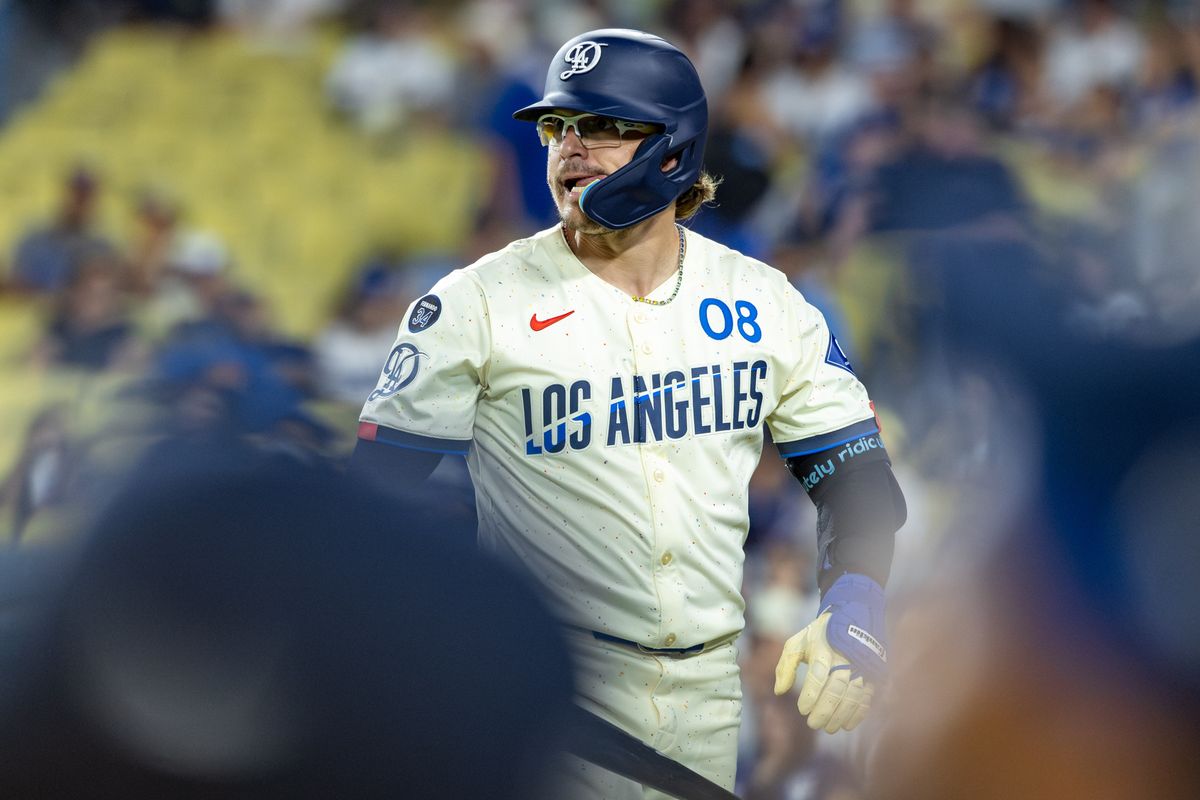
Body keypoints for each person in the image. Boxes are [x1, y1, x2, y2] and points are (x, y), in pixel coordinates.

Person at [350, 28, 907, 798]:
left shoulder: (765, 302)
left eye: (604, 126)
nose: (569, 148)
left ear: (672, 150)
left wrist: (856, 597)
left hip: (710, 700)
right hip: (551, 698)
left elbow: (856, 475)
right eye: (558, 127)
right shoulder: (471, 306)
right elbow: (368, 504)